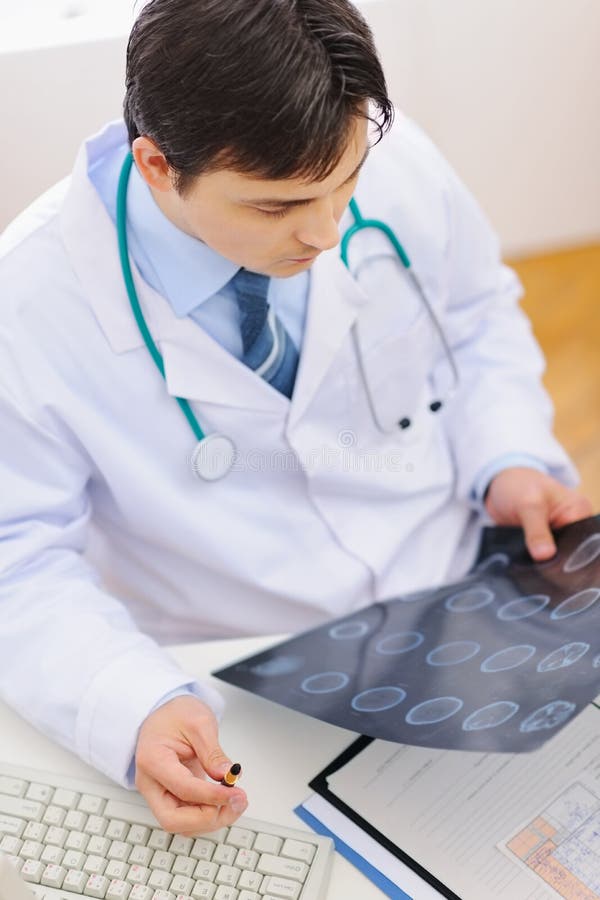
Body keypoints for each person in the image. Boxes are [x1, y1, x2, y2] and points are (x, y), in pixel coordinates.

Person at [0, 0, 592, 836]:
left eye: (346, 183)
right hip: (246, 678)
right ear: (159, 165)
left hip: (463, 595)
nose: (326, 229)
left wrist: (508, 457)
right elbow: (14, 557)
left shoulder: (395, 160)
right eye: (277, 207)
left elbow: (475, 315)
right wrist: (134, 705)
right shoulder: (27, 306)